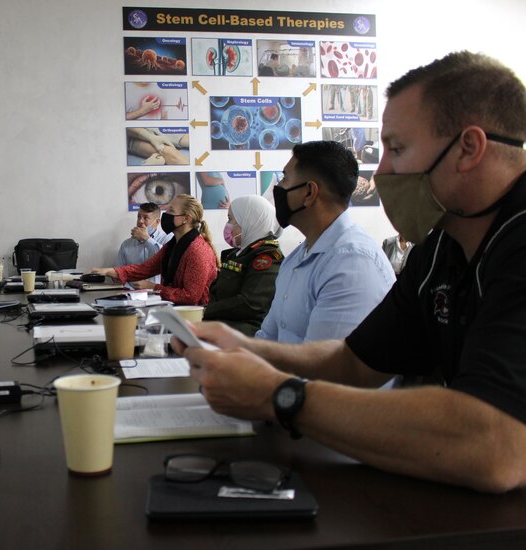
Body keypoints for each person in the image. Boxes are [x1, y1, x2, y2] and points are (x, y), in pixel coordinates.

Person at [175, 51, 526, 492]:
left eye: (397, 149)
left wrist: (279, 396)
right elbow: (354, 361)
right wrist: (248, 349)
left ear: (469, 148)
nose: (381, 174)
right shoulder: (440, 247)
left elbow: (496, 446)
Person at [258, 140, 395, 343]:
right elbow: (268, 336)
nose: (278, 187)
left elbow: (323, 367)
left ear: (309, 193)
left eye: (285, 178)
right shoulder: (296, 259)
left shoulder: (351, 263)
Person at [91, 194, 218, 305]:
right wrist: (108, 271)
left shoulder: (198, 251)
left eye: (171, 211)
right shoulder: (173, 244)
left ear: (187, 218)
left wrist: (153, 287)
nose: (165, 214)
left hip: (196, 317)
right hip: (175, 310)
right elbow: (145, 269)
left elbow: (191, 297)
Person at [204, 196, 283, 335]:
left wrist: (204, 312)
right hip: (223, 322)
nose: (227, 225)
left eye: (230, 219)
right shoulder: (238, 253)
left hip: (248, 331)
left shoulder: (267, 257)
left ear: (248, 221)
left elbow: (250, 303)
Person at [116, 202, 172, 285]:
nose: (140, 221)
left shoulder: (167, 239)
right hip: (132, 294)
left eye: (145, 218)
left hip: (158, 294)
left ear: (157, 222)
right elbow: (119, 274)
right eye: (139, 217)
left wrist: (147, 239)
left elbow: (165, 259)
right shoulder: (126, 245)